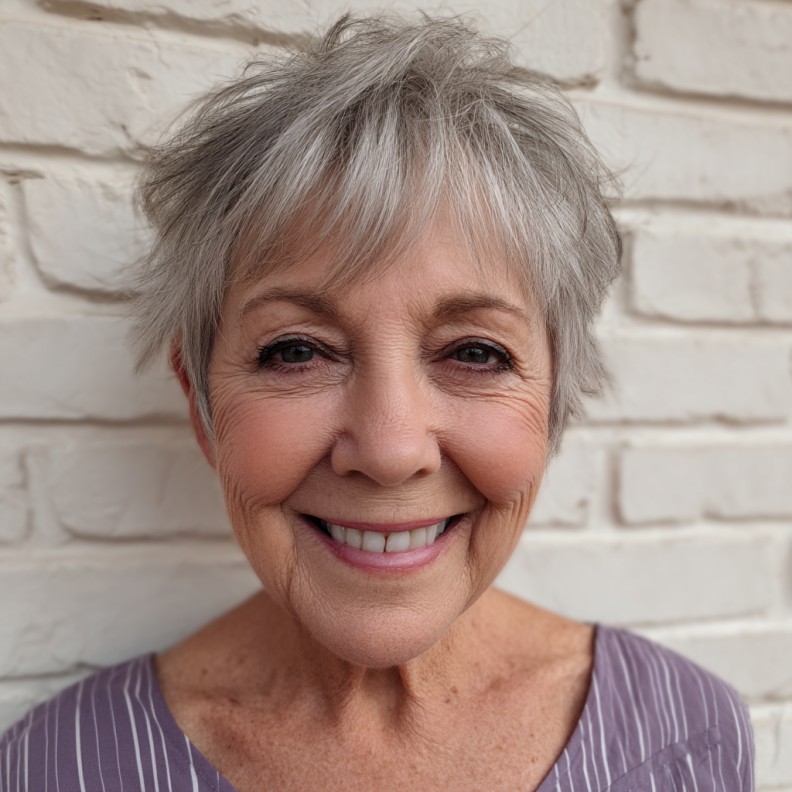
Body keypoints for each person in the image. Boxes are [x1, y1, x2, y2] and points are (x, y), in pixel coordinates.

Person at [0, 14, 753, 792]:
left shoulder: (687, 739)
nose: (391, 451)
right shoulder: (56, 769)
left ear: (554, 396)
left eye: (475, 352)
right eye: (297, 351)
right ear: (202, 406)